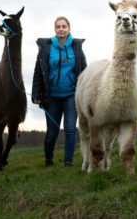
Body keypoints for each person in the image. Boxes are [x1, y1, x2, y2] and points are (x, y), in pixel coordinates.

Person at [32, 16, 87, 167]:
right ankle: (48, 159)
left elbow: (85, 71)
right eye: (58, 27)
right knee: (52, 133)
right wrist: (36, 94)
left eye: (64, 26)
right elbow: (38, 72)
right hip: (52, 97)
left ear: (69, 29)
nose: (61, 29)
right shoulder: (46, 48)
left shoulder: (76, 47)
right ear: (54, 29)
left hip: (71, 95)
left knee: (70, 129)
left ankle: (68, 162)